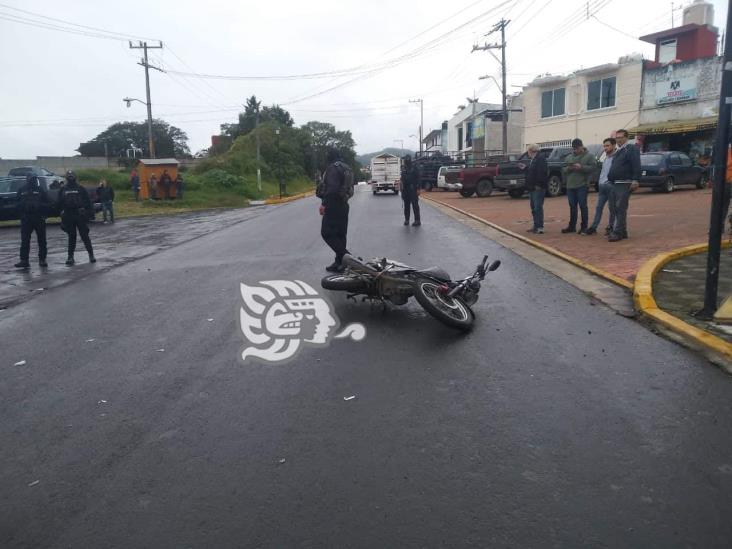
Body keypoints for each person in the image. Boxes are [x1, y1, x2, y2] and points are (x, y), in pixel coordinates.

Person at [318, 148, 351, 272]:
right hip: (344, 204)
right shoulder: (346, 167)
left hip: (333, 205)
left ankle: (347, 257)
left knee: (326, 232)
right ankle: (339, 262)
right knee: (340, 234)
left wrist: (324, 204)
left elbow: (332, 188)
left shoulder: (333, 168)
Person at [607, 129, 641, 242]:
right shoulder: (618, 151)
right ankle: (623, 231)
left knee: (620, 208)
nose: (619, 140)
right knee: (614, 208)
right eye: (617, 138)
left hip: (625, 183)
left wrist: (636, 179)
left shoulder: (631, 149)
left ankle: (617, 233)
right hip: (615, 183)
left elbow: (636, 164)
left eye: (621, 137)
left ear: (626, 138)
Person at [58, 170, 95, 266]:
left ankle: (91, 255)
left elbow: (88, 202)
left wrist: (89, 214)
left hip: (80, 215)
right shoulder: (63, 189)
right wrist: (61, 216)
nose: (71, 177)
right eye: (69, 176)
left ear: (75, 177)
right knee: (71, 237)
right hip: (69, 215)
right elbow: (59, 203)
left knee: (85, 236)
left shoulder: (81, 188)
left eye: (72, 175)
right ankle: (70, 257)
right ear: (66, 177)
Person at [561, 138, 596, 235]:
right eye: (574, 148)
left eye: (577, 148)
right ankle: (572, 226)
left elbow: (593, 168)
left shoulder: (589, 156)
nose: (575, 150)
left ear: (581, 146)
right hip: (570, 186)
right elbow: (563, 169)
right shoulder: (568, 157)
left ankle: (584, 227)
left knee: (583, 206)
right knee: (572, 206)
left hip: (582, 185)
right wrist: (570, 168)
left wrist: (581, 167)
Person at [14, 175, 50, 269]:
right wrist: (23, 207)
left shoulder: (40, 190)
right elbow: (16, 204)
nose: (31, 180)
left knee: (42, 240)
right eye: (29, 178)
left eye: (33, 178)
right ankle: (24, 260)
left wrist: (39, 207)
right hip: (26, 218)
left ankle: (42, 259)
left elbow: (48, 203)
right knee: (25, 240)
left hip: (38, 218)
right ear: (26, 179)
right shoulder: (22, 190)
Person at [586, 138, 617, 236]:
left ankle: (611, 226)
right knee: (599, 207)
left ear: (613, 145)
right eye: (604, 146)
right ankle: (593, 227)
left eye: (607, 146)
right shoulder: (605, 157)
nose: (605, 148)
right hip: (602, 186)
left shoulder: (617, 158)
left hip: (611, 185)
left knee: (612, 208)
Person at [521, 144, 548, 234]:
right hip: (532, 187)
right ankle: (536, 225)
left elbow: (542, 172)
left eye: (528, 151)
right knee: (534, 207)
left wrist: (538, 184)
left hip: (538, 187)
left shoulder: (540, 158)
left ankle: (539, 227)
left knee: (537, 207)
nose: (527, 153)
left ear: (532, 150)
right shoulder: (534, 159)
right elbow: (532, 171)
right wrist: (525, 168)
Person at [401, 155, 422, 226]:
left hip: (413, 189)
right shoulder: (404, 169)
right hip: (406, 190)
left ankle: (417, 220)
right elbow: (402, 180)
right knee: (406, 206)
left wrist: (418, 189)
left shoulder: (415, 168)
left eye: (407, 160)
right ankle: (407, 220)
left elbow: (418, 178)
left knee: (415, 205)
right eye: (405, 160)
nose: (406, 162)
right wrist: (402, 190)